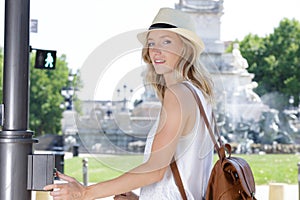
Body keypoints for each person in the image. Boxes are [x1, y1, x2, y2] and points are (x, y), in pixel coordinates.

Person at [44, 7, 215, 200]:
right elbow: (185, 177)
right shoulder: (200, 96)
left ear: (185, 48)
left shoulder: (177, 94)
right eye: (151, 43)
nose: (156, 50)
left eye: (166, 41)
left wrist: (86, 193)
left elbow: (155, 169)